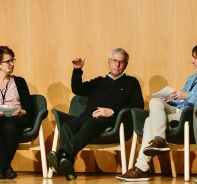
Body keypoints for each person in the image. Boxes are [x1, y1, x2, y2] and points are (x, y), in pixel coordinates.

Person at [47, 48, 144, 180]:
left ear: (126, 64)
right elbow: (78, 89)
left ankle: (63, 155)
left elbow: (138, 105)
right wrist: (77, 70)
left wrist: (112, 111)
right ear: (108, 62)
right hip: (87, 117)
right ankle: (67, 164)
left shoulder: (131, 83)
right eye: (115, 61)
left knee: (90, 124)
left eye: (121, 62)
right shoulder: (98, 82)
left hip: (112, 121)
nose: (118, 64)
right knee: (66, 126)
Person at [116, 45, 197, 182]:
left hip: (190, 116)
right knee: (155, 102)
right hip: (179, 110)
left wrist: (187, 95)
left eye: (195, 58)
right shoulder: (191, 78)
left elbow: (190, 101)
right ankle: (159, 141)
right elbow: (181, 102)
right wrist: (171, 102)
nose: (192, 61)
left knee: (149, 121)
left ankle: (142, 168)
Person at [0, 46, 34, 179]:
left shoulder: (19, 81)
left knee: (10, 126)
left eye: (13, 60)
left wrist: (21, 111)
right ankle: (6, 168)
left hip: (18, 117)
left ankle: (3, 167)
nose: (12, 64)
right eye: (8, 61)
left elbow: (29, 108)